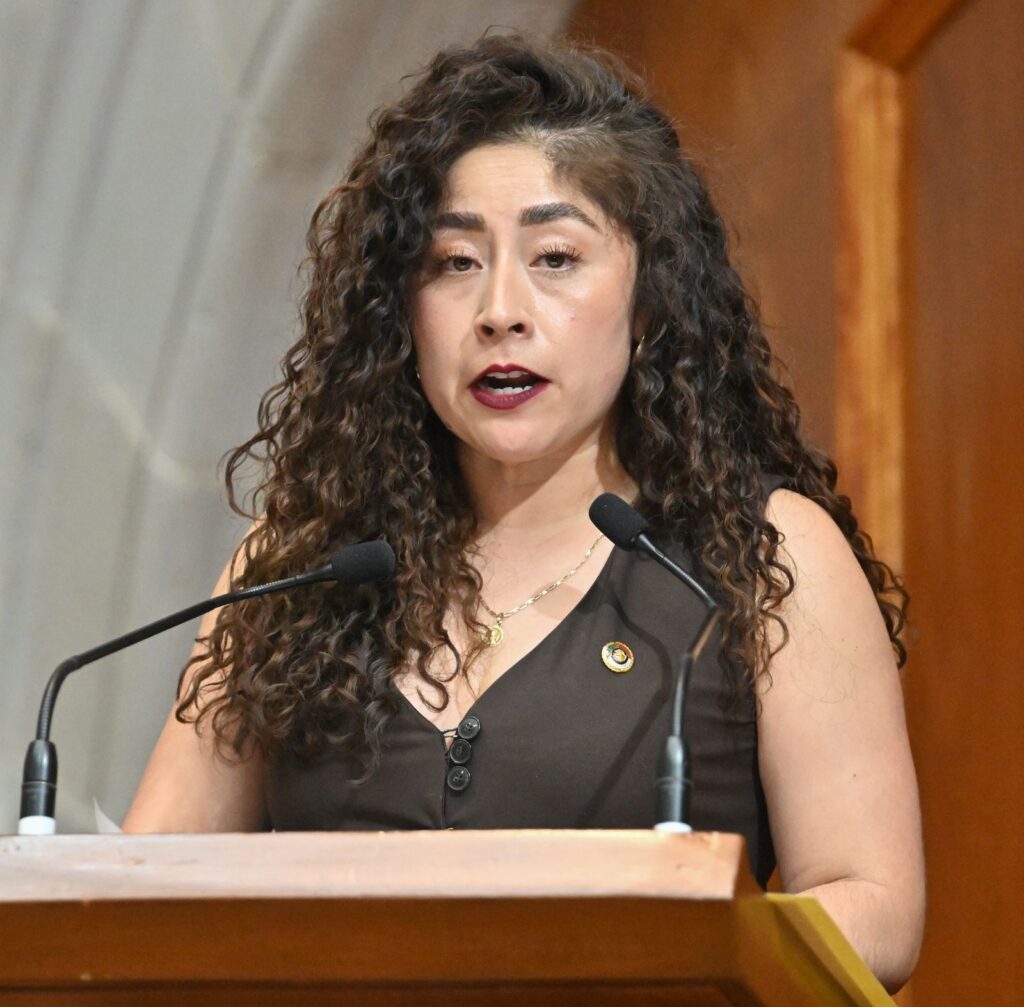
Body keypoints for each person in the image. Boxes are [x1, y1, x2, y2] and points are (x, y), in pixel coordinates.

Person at [122, 33, 925, 991]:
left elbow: (875, 906)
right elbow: (133, 899)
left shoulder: (764, 552)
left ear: (649, 299)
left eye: (555, 257)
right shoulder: (298, 564)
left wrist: (650, 957)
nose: (500, 309)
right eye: (454, 262)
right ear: (401, 312)